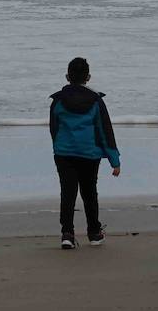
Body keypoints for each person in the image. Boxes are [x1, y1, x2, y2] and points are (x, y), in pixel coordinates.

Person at [49, 56, 121, 249]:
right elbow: (104, 131)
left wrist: (58, 147)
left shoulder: (58, 101)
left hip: (64, 153)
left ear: (67, 76)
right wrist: (114, 160)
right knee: (89, 193)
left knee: (68, 192)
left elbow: (54, 128)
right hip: (89, 153)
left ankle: (67, 234)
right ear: (88, 77)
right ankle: (94, 233)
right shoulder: (95, 101)